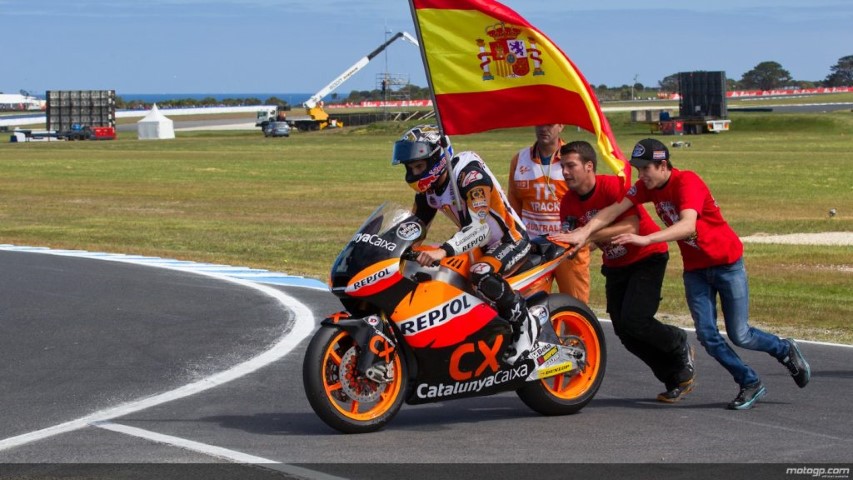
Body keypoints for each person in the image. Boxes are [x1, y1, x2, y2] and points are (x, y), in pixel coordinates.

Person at [559, 138, 811, 410]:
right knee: (707, 335)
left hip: (727, 264)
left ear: (663, 164)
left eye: (646, 169)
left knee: (741, 334)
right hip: (696, 271)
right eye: (638, 169)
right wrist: (584, 233)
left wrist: (646, 239)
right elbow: (615, 209)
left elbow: (688, 226)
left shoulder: (686, 182)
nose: (641, 175)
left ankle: (784, 349)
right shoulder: (647, 187)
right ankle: (749, 382)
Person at [549, 140, 695, 403]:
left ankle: (677, 340)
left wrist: (589, 234)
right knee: (625, 334)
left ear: (589, 166)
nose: (565, 172)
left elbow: (631, 226)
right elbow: (576, 239)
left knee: (635, 321)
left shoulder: (612, 187)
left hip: (647, 257)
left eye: (571, 166)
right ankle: (676, 377)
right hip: (616, 266)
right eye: (562, 167)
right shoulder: (567, 202)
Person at [391, 125, 538, 364]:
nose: (414, 173)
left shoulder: (469, 176)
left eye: (419, 166)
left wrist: (444, 249)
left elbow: (480, 228)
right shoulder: (429, 189)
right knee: (439, 272)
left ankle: (524, 322)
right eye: (411, 168)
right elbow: (415, 227)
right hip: (475, 244)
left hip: (509, 239)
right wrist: (393, 248)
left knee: (480, 273)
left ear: (437, 159)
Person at [507, 124, 591, 302]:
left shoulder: (574, 159)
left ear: (561, 126)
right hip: (534, 247)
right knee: (531, 308)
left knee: (576, 308)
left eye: (550, 124)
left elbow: (588, 202)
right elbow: (513, 208)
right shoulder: (519, 159)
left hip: (568, 248)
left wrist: (588, 237)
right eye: (539, 123)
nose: (543, 129)